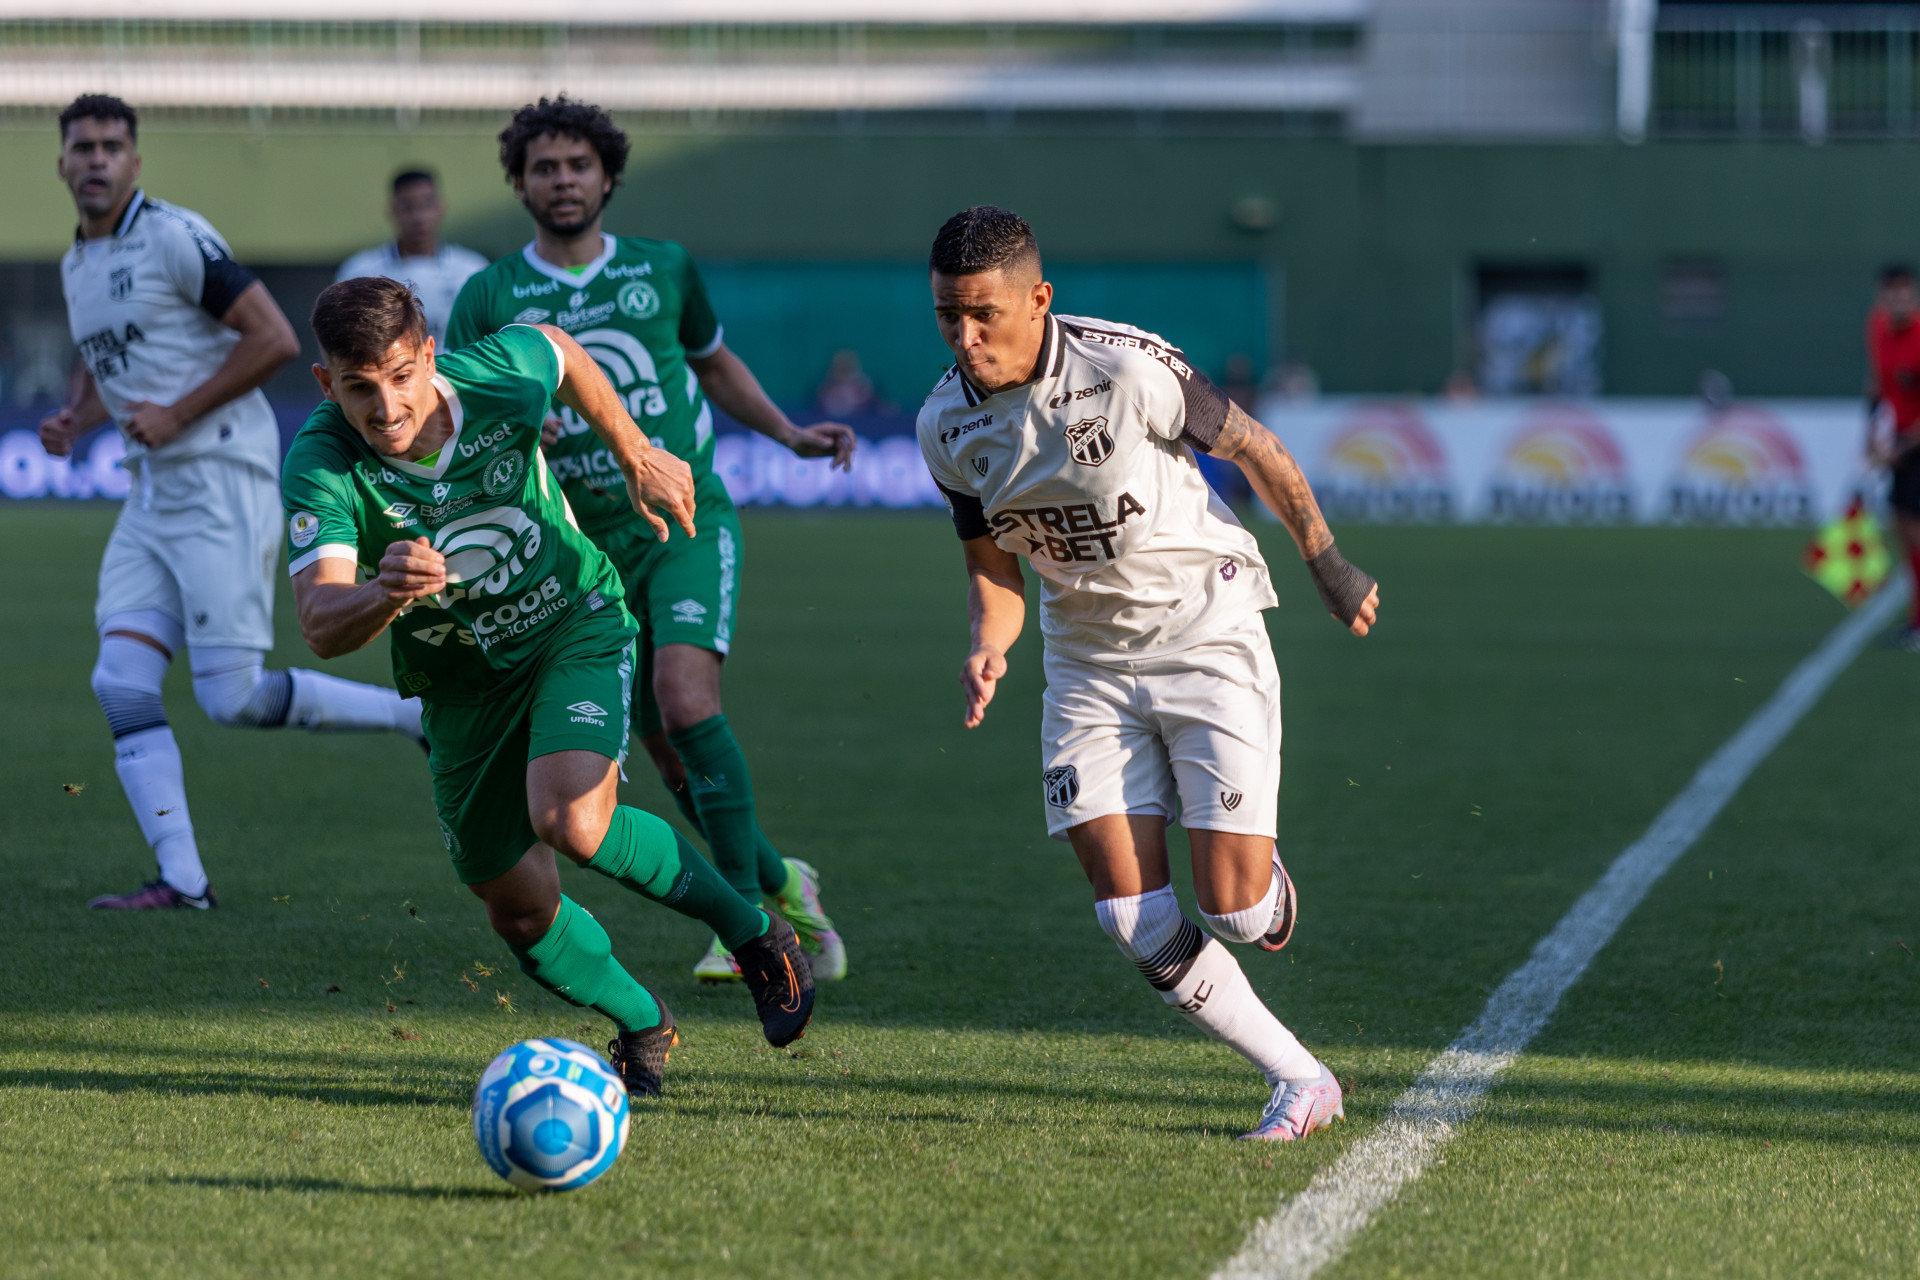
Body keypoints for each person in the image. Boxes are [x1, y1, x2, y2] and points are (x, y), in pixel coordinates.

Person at [915, 207, 1381, 1142]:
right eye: (946, 318)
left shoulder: (1125, 369)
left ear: (1037, 300)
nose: (965, 340)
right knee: (1130, 915)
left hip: (1205, 630)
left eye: (984, 316)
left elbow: (1250, 443)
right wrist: (987, 642)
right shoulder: (944, 427)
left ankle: (1262, 885)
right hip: (1085, 663)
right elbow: (994, 570)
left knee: (1239, 912)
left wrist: (1327, 562)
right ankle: (1301, 1079)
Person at [284, 276, 816, 1092]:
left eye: (399, 376)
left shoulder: (497, 371)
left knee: (571, 817)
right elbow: (320, 622)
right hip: (461, 685)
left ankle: (755, 934)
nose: (385, 407)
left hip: (573, 621)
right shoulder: (321, 460)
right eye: (358, 388)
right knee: (519, 908)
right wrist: (381, 591)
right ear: (328, 384)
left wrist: (636, 451)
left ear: (430, 357)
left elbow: (563, 351)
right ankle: (644, 1020)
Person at [447, 97, 852, 984]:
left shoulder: (665, 270)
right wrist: (519, 434)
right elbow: (459, 419)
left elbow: (713, 363)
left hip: (684, 521)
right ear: (520, 182)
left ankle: (742, 922)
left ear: (608, 176)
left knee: (686, 701)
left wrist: (788, 434)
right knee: (667, 752)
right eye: (546, 168)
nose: (563, 181)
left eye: (578, 166)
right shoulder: (488, 296)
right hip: (577, 556)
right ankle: (788, 882)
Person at [38, 94, 426, 912]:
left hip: (220, 477)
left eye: (113, 145)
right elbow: (105, 353)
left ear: (135, 161)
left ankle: (410, 714)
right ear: (63, 163)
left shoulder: (175, 236)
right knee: (121, 682)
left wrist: (177, 413)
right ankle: (182, 880)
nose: (98, 159)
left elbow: (275, 338)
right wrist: (79, 414)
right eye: (83, 146)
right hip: (152, 493)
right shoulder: (78, 261)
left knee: (233, 696)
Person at [335, 170, 489, 348]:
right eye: (408, 207)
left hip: (455, 374)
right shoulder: (360, 272)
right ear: (392, 211)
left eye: (427, 205)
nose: (419, 217)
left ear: (441, 208)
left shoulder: (473, 268)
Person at [1865, 262, 1920, 649]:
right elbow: (1877, 384)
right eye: (1892, 294)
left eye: (1906, 294)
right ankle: (1917, 620)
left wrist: (1898, 449)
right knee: (1902, 527)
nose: (1899, 301)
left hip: (1914, 442)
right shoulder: (1877, 327)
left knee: (1916, 529)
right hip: (1902, 439)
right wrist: (1871, 434)